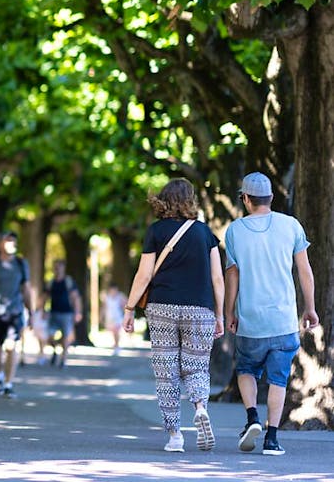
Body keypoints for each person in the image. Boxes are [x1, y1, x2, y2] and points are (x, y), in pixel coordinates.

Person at [123, 178, 225, 453]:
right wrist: (220, 314)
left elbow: (144, 275)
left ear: (164, 200)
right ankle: (201, 408)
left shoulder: (155, 231)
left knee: (167, 372)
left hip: (162, 307)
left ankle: (175, 436)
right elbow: (217, 278)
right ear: (190, 200)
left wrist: (130, 308)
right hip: (200, 309)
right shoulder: (205, 233)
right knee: (197, 367)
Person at [223, 172, 319, 456]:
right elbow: (304, 270)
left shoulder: (234, 230)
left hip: (250, 321)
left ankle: (253, 417)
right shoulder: (291, 225)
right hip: (283, 320)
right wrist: (310, 308)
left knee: (245, 369)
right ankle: (272, 439)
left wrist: (229, 312)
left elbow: (232, 277)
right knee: (278, 379)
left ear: (246, 199)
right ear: (271, 198)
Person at [0, 230, 34, 398]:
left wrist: (31, 311)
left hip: (15, 311)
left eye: (13, 241)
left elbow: (26, 288)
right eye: (7, 241)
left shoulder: (21, 263)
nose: (11, 244)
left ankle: (9, 383)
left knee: (12, 346)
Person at [43, 260, 82, 368]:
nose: (57, 269)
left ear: (63, 268)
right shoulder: (51, 282)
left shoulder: (68, 282)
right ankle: (55, 349)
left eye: (59, 267)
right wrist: (42, 310)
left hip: (67, 313)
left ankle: (63, 360)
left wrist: (77, 312)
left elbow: (75, 298)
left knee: (66, 337)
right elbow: (45, 297)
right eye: (55, 267)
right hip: (53, 312)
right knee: (49, 336)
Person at [102, 283, 127, 354]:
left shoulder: (120, 297)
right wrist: (101, 316)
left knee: (116, 331)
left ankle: (117, 345)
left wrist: (125, 313)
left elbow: (125, 305)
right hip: (109, 317)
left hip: (118, 317)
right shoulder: (107, 298)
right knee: (113, 332)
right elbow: (104, 307)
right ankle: (115, 344)